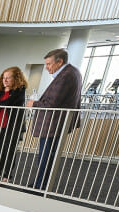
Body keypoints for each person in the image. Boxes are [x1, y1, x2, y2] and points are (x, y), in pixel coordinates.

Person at [27, 48, 83, 190]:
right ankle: (40, 184)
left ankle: (41, 186)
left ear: (60, 62)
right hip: (56, 122)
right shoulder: (71, 72)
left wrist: (34, 103)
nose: (46, 68)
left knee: (46, 157)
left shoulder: (66, 75)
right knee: (47, 156)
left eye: (49, 64)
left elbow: (52, 103)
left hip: (54, 122)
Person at [0, 67, 28, 181]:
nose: (5, 80)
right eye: (4, 77)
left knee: (9, 150)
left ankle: (7, 175)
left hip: (12, 126)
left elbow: (8, 102)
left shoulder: (20, 90)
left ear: (16, 78)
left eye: (8, 78)